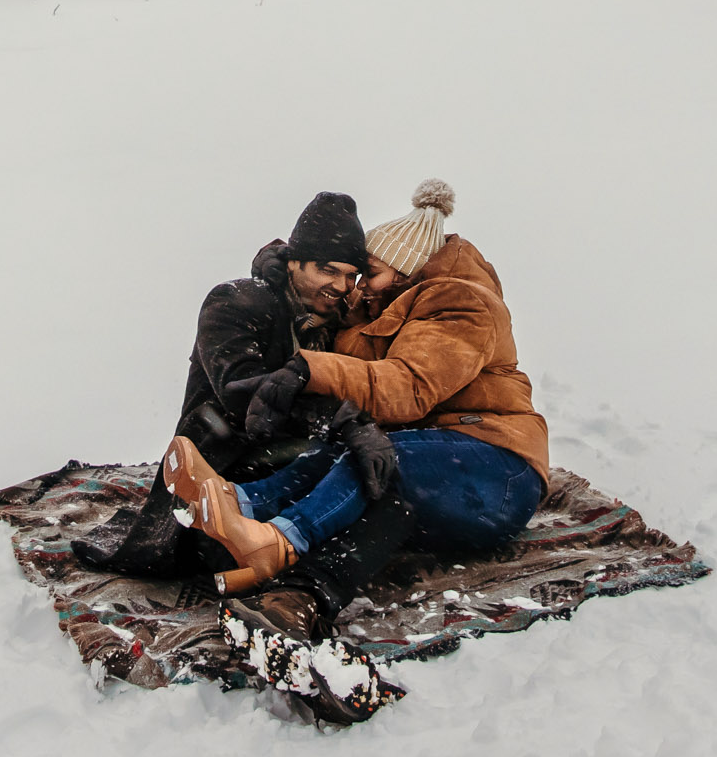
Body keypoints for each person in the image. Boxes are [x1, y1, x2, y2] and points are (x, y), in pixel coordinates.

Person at [166, 180, 551, 642]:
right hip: (429, 466)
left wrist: (309, 368)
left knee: (381, 456)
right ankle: (242, 514)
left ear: (403, 269)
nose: (357, 287)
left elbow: (407, 387)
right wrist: (277, 265)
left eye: (367, 273)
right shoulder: (380, 304)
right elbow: (314, 281)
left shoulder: (461, 303)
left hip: (496, 465)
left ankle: (276, 537)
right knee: (364, 459)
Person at [71, 191, 375, 577]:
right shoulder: (235, 302)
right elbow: (241, 395)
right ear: (294, 261)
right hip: (219, 462)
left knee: (372, 480)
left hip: (289, 455)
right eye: (328, 270)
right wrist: (342, 420)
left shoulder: (335, 317)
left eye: (351, 275)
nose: (342, 285)